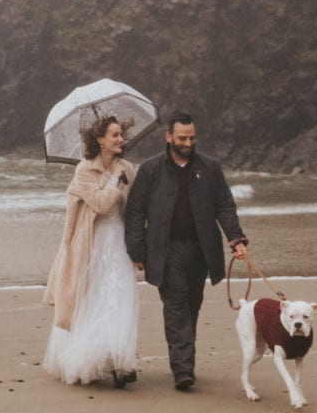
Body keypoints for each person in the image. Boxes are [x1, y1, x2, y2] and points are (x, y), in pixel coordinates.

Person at [124, 111, 248, 391]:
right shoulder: (151, 169)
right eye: (182, 138)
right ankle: (183, 369)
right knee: (176, 305)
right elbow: (135, 212)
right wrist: (137, 251)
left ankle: (183, 359)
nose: (188, 142)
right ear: (168, 137)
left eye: (192, 137)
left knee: (192, 304)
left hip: (201, 248)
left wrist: (236, 238)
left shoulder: (210, 167)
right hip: (164, 249)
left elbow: (224, 205)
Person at [41, 116, 139, 387]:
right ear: (100, 140)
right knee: (93, 300)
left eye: (121, 134)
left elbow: (133, 208)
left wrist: (139, 244)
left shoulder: (128, 168)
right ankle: (91, 360)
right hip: (91, 244)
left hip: (119, 242)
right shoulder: (84, 170)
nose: (120, 139)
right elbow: (100, 205)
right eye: (114, 135)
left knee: (119, 298)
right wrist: (115, 183)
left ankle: (119, 363)